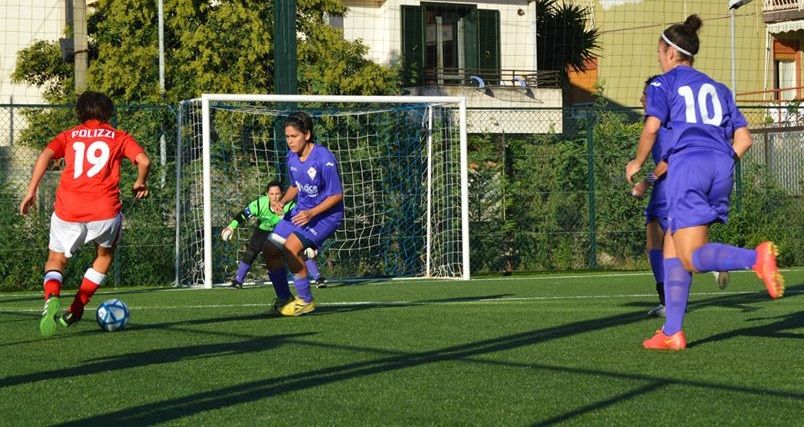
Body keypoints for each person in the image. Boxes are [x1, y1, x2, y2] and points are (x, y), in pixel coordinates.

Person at [626, 15, 785, 350]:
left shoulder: (663, 84)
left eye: (659, 53)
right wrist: (720, 162)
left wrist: (637, 162)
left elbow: (652, 127)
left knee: (690, 256)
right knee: (673, 246)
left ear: (671, 53)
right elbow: (744, 139)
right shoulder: (719, 88)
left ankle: (756, 258)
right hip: (722, 165)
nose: (659, 59)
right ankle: (672, 332)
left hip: (688, 168)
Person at [19, 91, 151, 337]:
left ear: (79, 113)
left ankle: (52, 296)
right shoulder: (119, 137)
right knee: (104, 255)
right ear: (108, 112)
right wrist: (140, 181)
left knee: (56, 259)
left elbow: (45, 155)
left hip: (68, 210)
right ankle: (78, 307)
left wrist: (31, 191)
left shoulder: (68, 135)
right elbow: (144, 161)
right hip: (105, 211)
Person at [631, 76, 730, 318]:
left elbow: (668, 162)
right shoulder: (664, 122)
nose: (643, 99)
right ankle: (668, 300)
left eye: (647, 94)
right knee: (657, 243)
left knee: (675, 246)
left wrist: (645, 182)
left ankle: (713, 262)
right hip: (669, 187)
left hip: (670, 187)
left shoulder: (666, 126)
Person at [262, 111, 344, 316]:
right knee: (269, 249)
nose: (290, 141)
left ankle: (306, 301)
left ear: (306, 135)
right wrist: (282, 201)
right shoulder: (291, 157)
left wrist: (311, 213)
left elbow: (336, 195)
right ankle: (284, 299)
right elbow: (295, 186)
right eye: (287, 137)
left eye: (294, 136)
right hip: (301, 212)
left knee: (291, 248)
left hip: (325, 217)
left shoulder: (324, 158)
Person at [220, 181, 326, 289]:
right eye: (271, 194)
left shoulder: (291, 206)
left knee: (299, 250)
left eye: (277, 194)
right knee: (251, 251)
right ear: (267, 194)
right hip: (264, 230)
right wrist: (231, 227)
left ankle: (318, 278)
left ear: (283, 193)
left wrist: (309, 245)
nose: (274, 197)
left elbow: (300, 224)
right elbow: (243, 215)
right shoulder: (260, 204)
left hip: (284, 231)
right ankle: (238, 281)